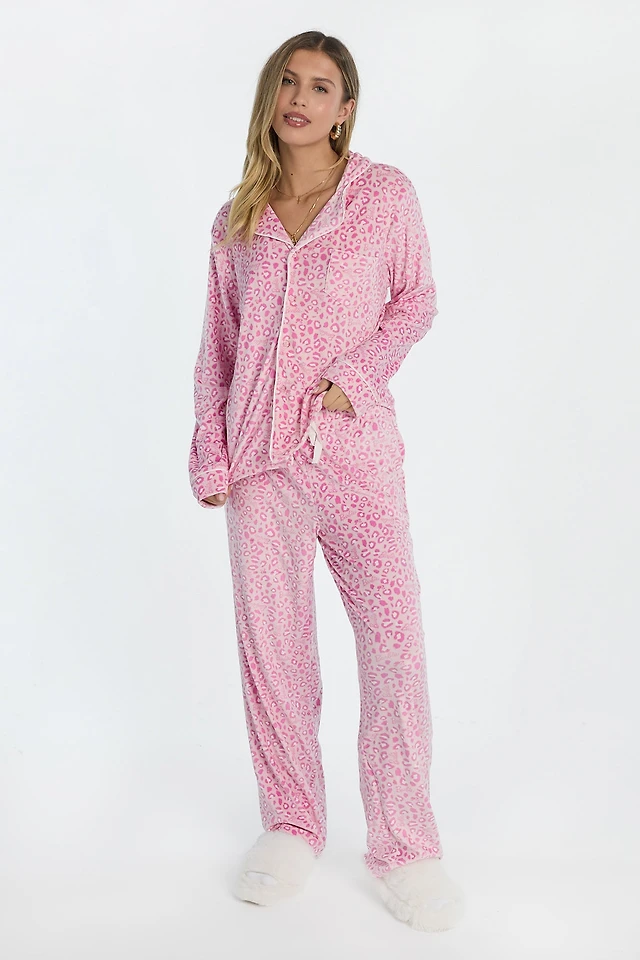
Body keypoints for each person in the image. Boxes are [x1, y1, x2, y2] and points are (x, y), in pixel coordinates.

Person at [188, 30, 465, 933]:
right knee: (273, 652)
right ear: (270, 97)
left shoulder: (384, 197)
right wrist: (210, 451)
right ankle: (291, 826)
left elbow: (416, 301)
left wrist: (355, 374)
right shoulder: (238, 216)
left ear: (346, 108)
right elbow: (219, 345)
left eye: (320, 86)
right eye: (288, 82)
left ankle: (407, 845)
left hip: (355, 456)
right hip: (258, 464)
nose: (300, 99)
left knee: (395, 647)